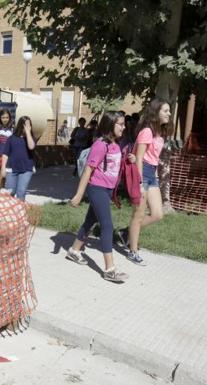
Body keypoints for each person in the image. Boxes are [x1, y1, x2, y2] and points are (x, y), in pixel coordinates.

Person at [67, 111, 135, 283]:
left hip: (107, 190)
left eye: (123, 123)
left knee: (90, 221)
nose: (123, 126)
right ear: (110, 124)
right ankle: (110, 269)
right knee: (107, 225)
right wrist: (79, 194)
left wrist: (130, 159)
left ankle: (74, 250)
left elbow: (115, 163)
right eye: (120, 123)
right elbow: (88, 170)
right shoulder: (100, 144)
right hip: (97, 188)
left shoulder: (116, 144)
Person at [118, 99, 171, 265]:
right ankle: (132, 251)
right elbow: (139, 157)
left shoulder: (159, 132)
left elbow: (153, 157)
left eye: (169, 111)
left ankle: (126, 232)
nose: (169, 114)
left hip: (152, 174)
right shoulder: (147, 131)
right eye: (166, 111)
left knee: (157, 214)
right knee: (138, 215)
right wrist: (140, 183)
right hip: (142, 173)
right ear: (156, 113)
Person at [1, 116, 36, 201]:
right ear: (21, 125)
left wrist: (28, 133)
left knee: (21, 192)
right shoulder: (11, 138)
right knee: (10, 193)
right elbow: (5, 154)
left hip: (26, 169)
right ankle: (10, 212)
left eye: (29, 125)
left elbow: (31, 147)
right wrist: (3, 168)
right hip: (12, 169)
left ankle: (20, 212)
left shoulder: (32, 138)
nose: (28, 127)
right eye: (26, 125)